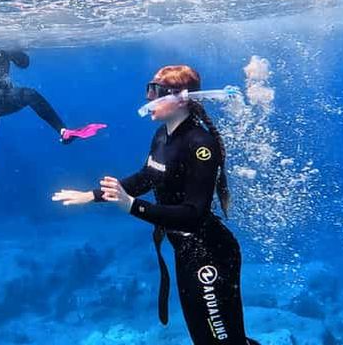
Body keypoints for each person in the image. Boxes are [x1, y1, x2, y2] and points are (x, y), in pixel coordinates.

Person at [52, 65, 258, 345]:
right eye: (149, 89)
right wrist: (93, 195)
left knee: (223, 342)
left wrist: (132, 206)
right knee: (205, 339)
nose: (149, 97)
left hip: (210, 252)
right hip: (185, 251)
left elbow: (194, 215)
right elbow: (147, 177)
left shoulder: (200, 144)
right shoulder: (162, 135)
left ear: (182, 98)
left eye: (157, 91)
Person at [0, 49, 106, 212]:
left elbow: (24, 62)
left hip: (4, 97)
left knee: (29, 95)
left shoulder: (1, 41)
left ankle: (63, 131)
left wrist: (9, 50)